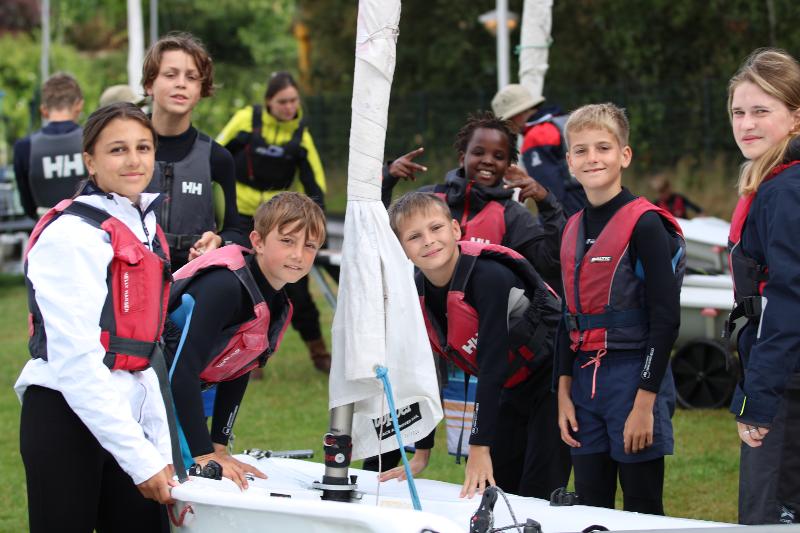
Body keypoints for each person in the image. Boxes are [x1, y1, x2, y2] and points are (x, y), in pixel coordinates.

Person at [15, 102, 176, 532]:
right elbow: (77, 363)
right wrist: (140, 459)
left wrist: (158, 450)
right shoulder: (71, 236)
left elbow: (142, 362)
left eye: (143, 147)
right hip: (66, 417)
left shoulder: (142, 225)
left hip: (126, 419)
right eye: (118, 149)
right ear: (90, 160)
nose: (134, 160)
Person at [383, 191, 567, 499]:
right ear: (401, 249)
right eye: (414, 236)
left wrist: (479, 447)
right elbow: (425, 372)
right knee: (498, 488)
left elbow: (492, 363)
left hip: (552, 381)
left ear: (455, 230)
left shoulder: (489, 277)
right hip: (511, 386)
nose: (428, 241)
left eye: (436, 228)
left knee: (537, 488)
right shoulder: (416, 292)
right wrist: (422, 452)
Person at [556, 103, 684, 516]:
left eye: (603, 148)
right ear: (570, 161)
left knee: (642, 508)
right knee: (589, 506)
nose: (592, 158)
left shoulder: (645, 225)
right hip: (584, 382)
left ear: (624, 155)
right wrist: (563, 392)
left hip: (633, 376)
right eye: (581, 150)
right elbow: (566, 318)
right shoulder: (571, 227)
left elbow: (666, 319)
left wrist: (644, 404)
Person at [164, 191, 324, 489]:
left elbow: (238, 369)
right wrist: (204, 456)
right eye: (287, 241)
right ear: (258, 241)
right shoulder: (225, 287)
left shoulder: (276, 300)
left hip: (175, 395)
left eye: (310, 246)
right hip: (146, 397)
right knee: (181, 488)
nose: (298, 255)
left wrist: (219, 447)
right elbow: (181, 374)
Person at [725, 48, 800, 525]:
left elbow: (788, 302)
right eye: (738, 112)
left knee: (768, 520)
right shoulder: (776, 183)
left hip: (787, 389)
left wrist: (758, 401)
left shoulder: (786, 191)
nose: (747, 124)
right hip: (785, 379)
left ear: (796, 117)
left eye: (761, 111)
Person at [217, 71, 332, 373]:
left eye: (294, 101)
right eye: (282, 101)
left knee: (297, 291)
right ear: (269, 101)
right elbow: (214, 157)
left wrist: (316, 229)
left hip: (281, 223)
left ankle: (319, 351)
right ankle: (240, 355)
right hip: (241, 218)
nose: (289, 107)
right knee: (241, 285)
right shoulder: (246, 120)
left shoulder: (301, 135)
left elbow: (315, 182)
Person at [382, 111, 566, 291]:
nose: (488, 160)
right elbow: (381, 237)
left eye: (498, 156)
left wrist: (547, 203)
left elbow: (551, 264)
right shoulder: (428, 199)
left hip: (486, 310)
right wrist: (387, 179)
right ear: (462, 158)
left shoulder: (514, 216)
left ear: (507, 167)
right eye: (479, 152)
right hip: (422, 309)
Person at [142, 32, 244, 270]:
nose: (181, 83)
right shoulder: (123, 151)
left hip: (192, 279)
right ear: (149, 84)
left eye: (191, 77)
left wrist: (218, 241)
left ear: (201, 90)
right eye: (170, 75)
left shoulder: (217, 158)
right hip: (131, 279)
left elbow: (236, 232)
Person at [491, 84, 588, 216]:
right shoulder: (564, 121)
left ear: (515, 116)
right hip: (591, 201)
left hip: (570, 212)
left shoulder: (536, 137)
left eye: (505, 123)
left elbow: (549, 192)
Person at [13, 72, 87, 220]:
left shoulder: (24, 147)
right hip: (90, 225)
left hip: (46, 226)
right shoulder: (91, 139)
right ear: (79, 105)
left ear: (43, 110)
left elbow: (27, 204)